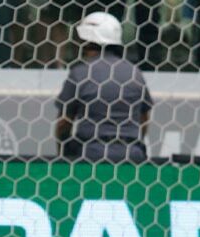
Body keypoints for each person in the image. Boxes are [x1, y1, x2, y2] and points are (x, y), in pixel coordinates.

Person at [54, 12, 153, 162]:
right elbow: (144, 119)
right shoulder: (135, 73)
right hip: (132, 155)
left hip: (90, 155)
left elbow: (63, 123)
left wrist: (64, 154)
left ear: (86, 41)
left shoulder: (80, 73)